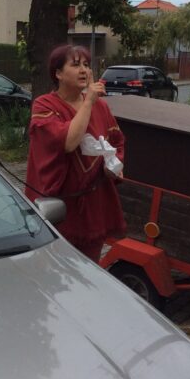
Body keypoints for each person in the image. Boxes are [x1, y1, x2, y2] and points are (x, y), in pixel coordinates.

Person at [25, 44, 126, 263]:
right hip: (59, 208)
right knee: (56, 268)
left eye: (87, 65)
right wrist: (88, 102)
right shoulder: (44, 105)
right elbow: (69, 142)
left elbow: (117, 142)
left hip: (93, 206)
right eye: (76, 64)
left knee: (89, 268)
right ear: (58, 73)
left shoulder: (102, 107)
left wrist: (114, 165)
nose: (84, 70)